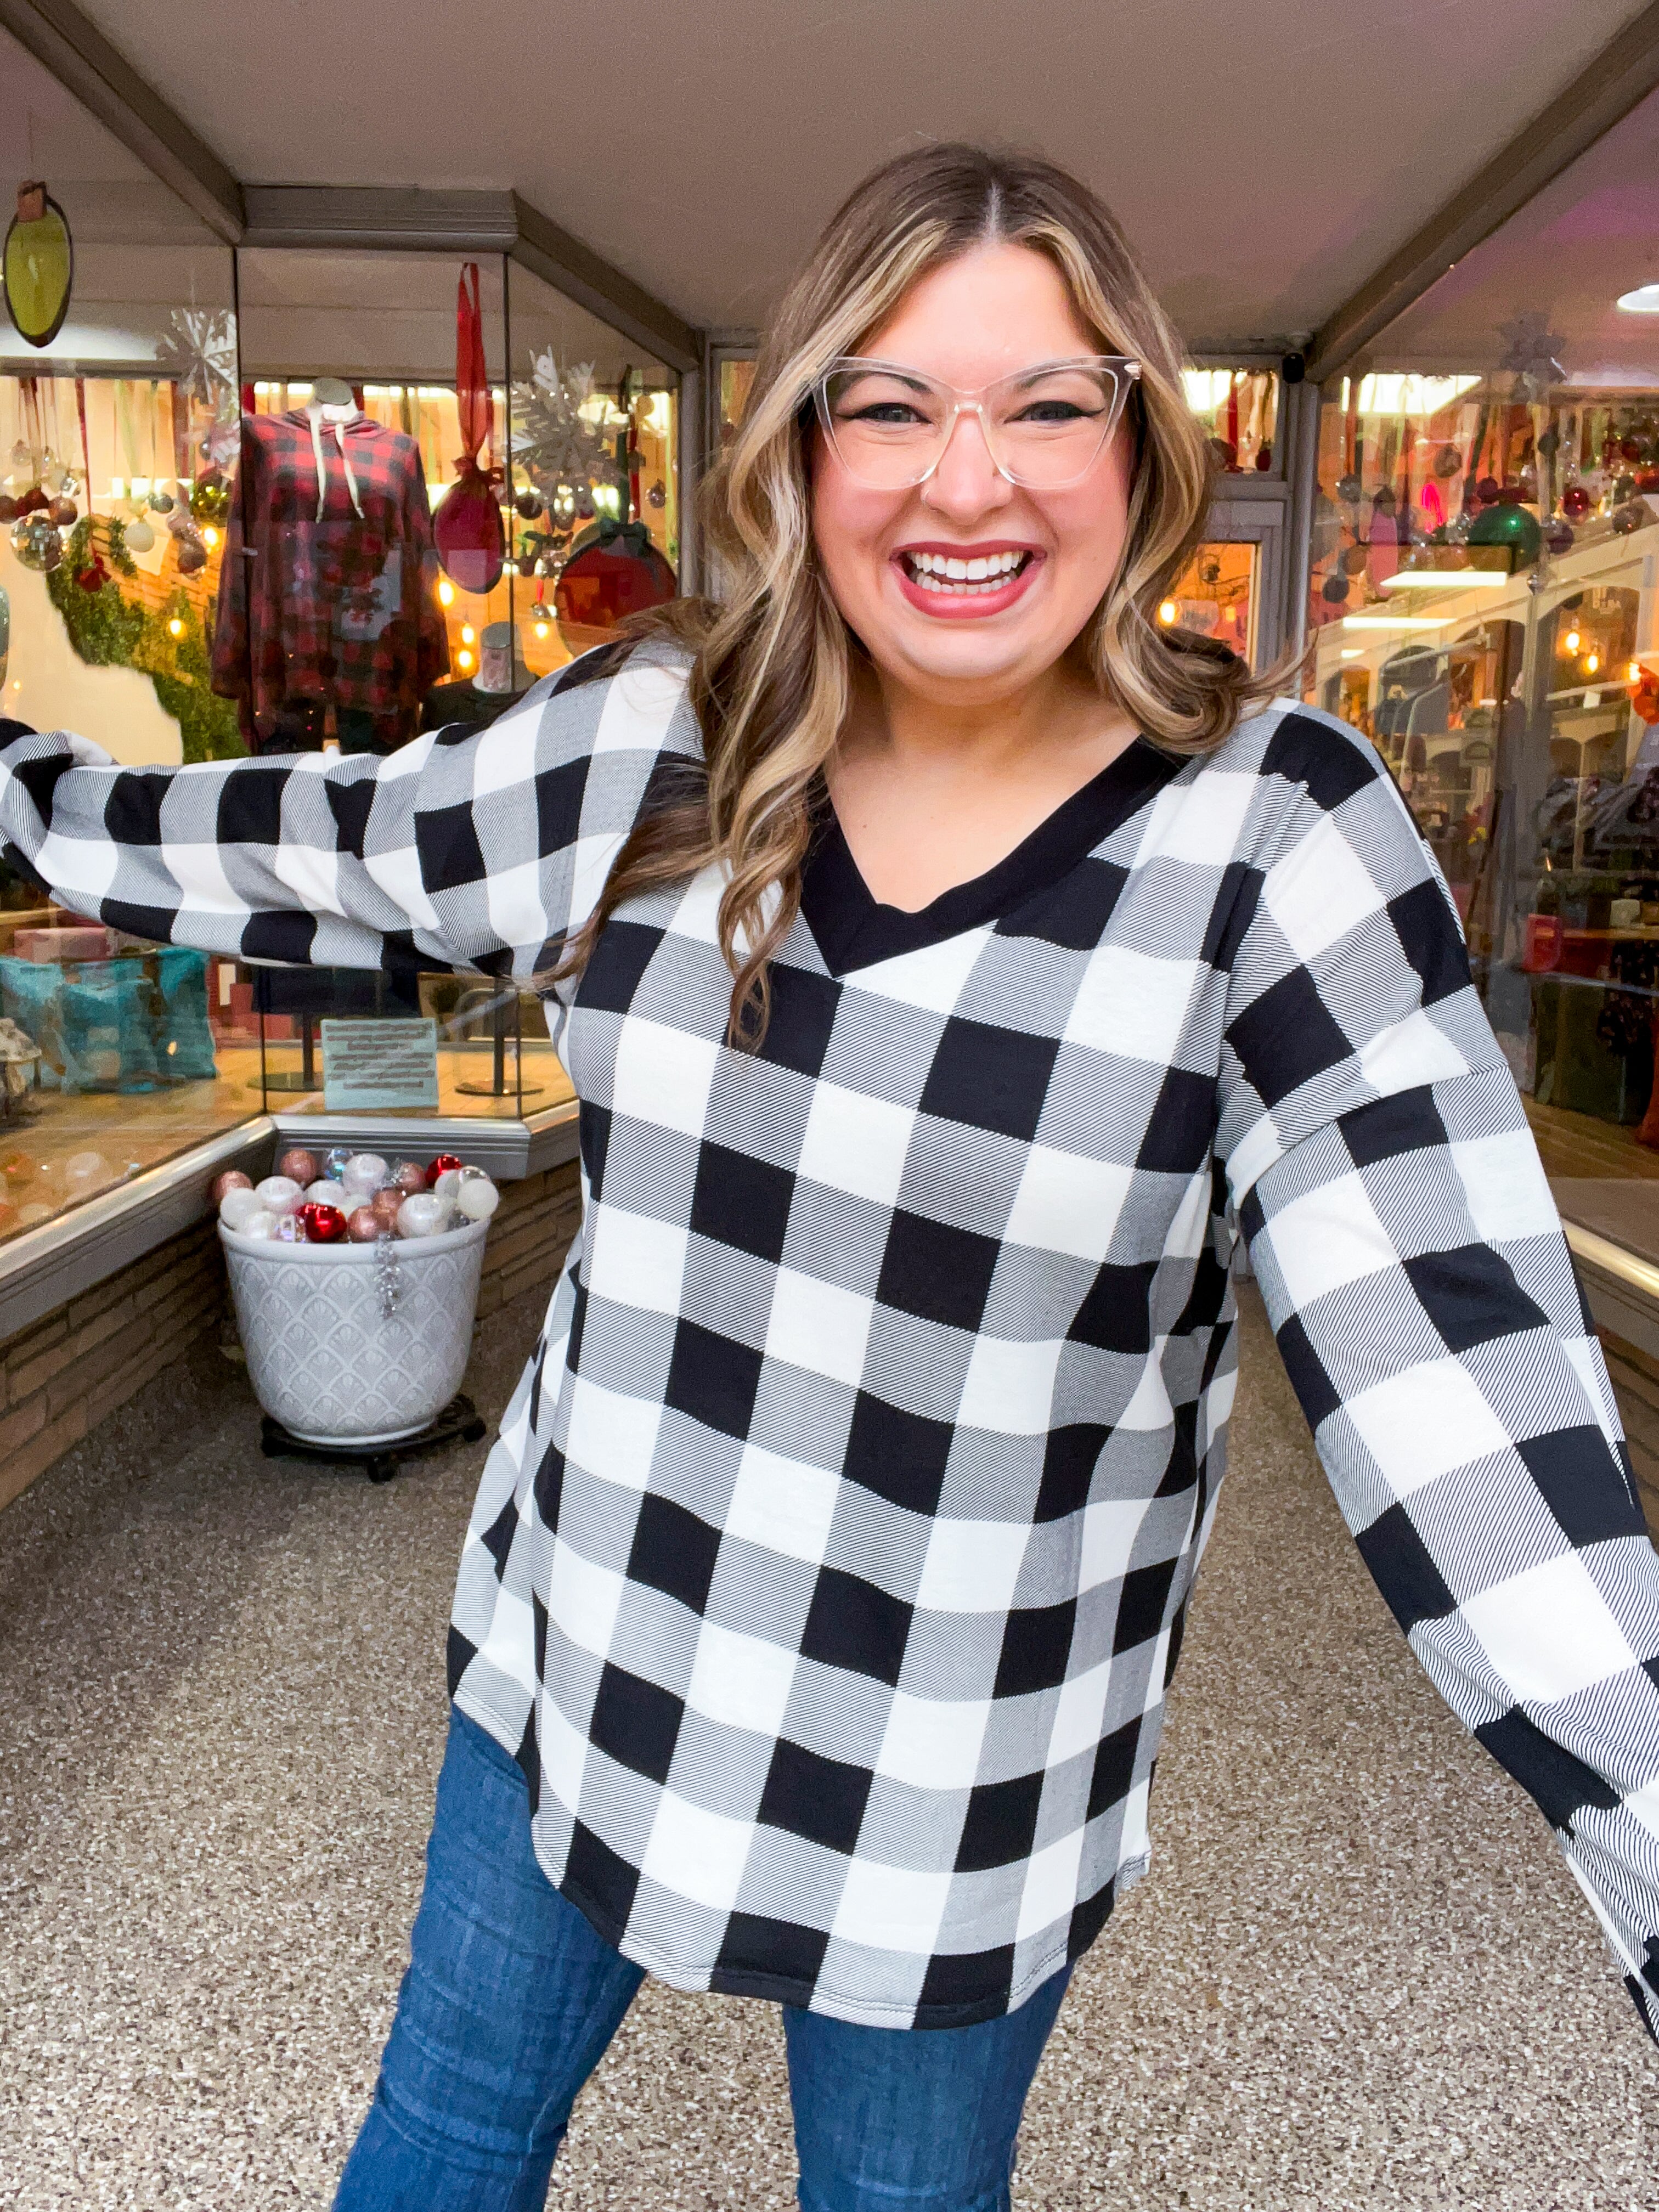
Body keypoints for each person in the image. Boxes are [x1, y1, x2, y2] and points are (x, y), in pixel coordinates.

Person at [4, 143, 1658, 2210]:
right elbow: (344, 840)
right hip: (582, 1652)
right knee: (443, 2141)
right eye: (891, 401)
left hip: (956, 1767)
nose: (969, 480)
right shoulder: (663, 741)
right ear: (803, 453)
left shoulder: (1271, 845)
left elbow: (1463, 1386)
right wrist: (35, 797)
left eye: (1048, 402)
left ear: (1142, 453)